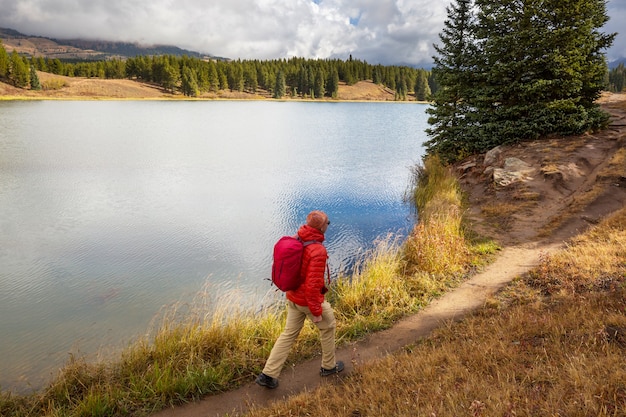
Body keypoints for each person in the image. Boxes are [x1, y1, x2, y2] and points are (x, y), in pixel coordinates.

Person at [256, 210, 344, 389]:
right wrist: (316, 311)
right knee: (328, 327)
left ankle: (268, 374)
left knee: (288, 335)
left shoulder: (298, 238)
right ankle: (328, 367)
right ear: (321, 226)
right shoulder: (318, 250)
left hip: (293, 298)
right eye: (328, 223)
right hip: (307, 301)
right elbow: (312, 285)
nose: (329, 225)